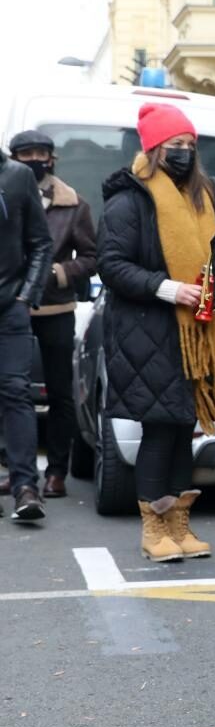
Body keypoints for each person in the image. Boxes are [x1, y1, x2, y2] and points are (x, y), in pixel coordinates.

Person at [98, 104, 215, 558]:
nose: (182, 153)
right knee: (160, 429)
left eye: (188, 146)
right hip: (149, 332)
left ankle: (180, 527)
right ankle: (153, 530)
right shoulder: (130, 200)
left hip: (200, 331)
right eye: (173, 146)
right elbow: (112, 266)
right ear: (154, 149)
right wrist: (166, 288)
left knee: (184, 428)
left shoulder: (207, 196)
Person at [10, 130, 96, 499]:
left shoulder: (73, 203)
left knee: (60, 391)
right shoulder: (7, 192)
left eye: (39, 153)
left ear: (52, 158)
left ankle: (56, 472)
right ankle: (15, 470)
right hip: (10, 306)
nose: (33, 159)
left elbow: (94, 257)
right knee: (10, 390)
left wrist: (60, 273)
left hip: (55, 307)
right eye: (25, 153)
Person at [0, 149, 52, 520]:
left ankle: (25, 487)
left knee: (16, 391)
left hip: (9, 307)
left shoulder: (17, 176)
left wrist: (25, 297)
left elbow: (41, 243)